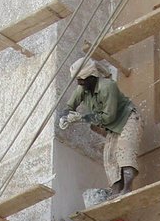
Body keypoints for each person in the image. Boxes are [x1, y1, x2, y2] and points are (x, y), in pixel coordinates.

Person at [59, 58, 142, 197]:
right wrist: (64, 117)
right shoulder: (82, 90)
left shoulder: (108, 87)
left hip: (128, 118)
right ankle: (116, 192)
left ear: (91, 77)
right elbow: (69, 106)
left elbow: (108, 116)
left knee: (125, 151)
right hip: (112, 127)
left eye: (82, 79)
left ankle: (127, 189)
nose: (79, 82)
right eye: (78, 79)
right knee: (109, 157)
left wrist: (82, 118)